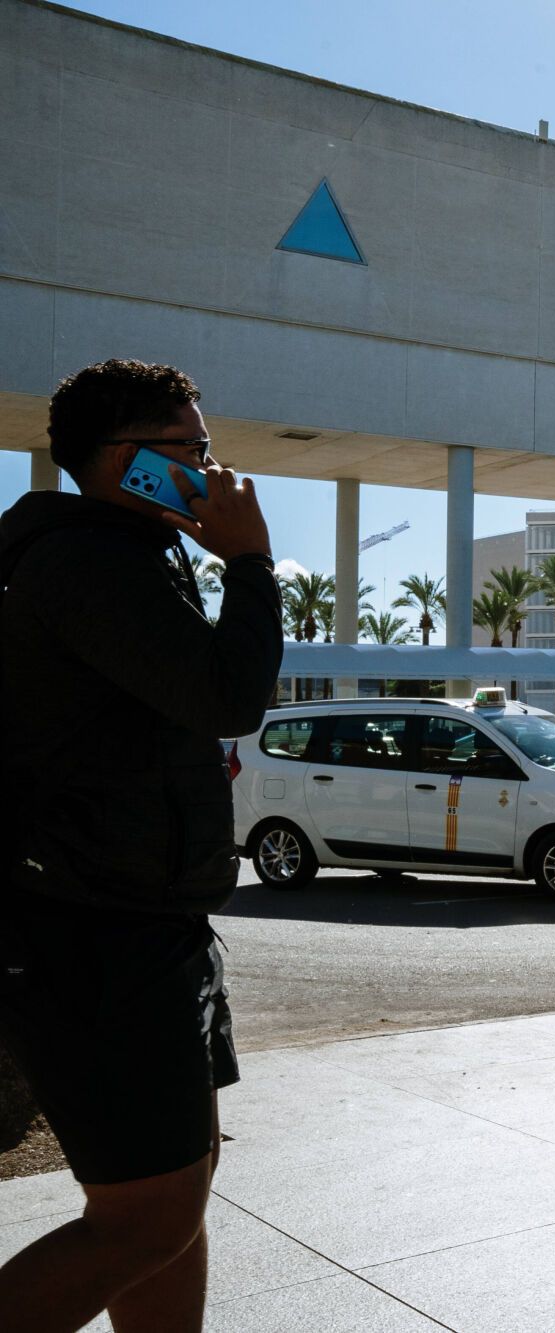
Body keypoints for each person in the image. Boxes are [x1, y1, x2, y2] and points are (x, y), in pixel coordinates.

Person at [0, 360, 281, 1332]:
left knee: (176, 1198)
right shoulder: (85, 562)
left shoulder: (134, 553)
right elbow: (227, 694)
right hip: (94, 933)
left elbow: (162, 715)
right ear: (127, 459)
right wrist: (249, 560)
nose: (213, 470)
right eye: (192, 449)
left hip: (152, 920)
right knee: (144, 1216)